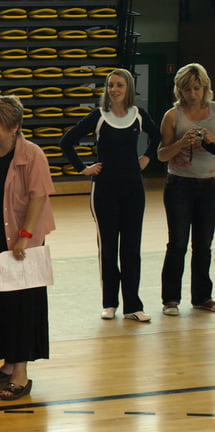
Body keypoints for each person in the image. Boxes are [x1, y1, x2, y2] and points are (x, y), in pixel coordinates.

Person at [0, 94, 56, 401]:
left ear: (14, 125)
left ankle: (21, 374)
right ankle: (6, 364)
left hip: (19, 245)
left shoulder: (32, 154)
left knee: (20, 308)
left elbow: (39, 196)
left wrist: (25, 235)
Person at [59, 68, 160, 322]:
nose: (114, 89)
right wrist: (83, 168)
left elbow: (157, 135)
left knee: (131, 249)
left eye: (120, 85)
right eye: (111, 85)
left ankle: (133, 306)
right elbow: (67, 141)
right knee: (108, 248)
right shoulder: (99, 116)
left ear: (128, 89)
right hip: (104, 192)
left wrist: (147, 157)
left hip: (133, 191)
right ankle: (109, 303)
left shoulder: (138, 116)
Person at [156, 62, 215, 315]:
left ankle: (202, 296)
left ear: (205, 88)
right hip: (179, 185)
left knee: (203, 243)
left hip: (210, 185)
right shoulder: (172, 115)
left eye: (197, 89)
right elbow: (161, 155)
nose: (193, 94)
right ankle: (170, 299)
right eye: (188, 90)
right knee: (178, 242)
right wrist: (182, 142)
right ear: (180, 90)